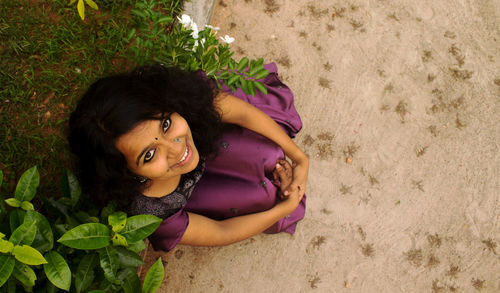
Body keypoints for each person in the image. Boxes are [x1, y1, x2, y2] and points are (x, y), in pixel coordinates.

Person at [68, 63, 308, 251]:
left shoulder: (181, 101)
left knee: (268, 151)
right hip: (204, 195)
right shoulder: (151, 209)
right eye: (149, 155)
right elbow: (221, 231)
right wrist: (286, 207)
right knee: (263, 197)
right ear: (125, 172)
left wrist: (299, 158)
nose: (175, 148)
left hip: (208, 141)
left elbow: (244, 115)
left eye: (165, 124)